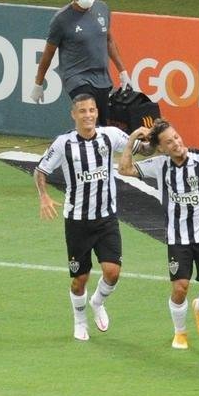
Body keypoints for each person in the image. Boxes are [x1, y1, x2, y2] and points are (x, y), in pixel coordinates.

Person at [119, 119, 199, 350]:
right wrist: (133, 138)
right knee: (180, 287)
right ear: (162, 148)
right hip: (178, 239)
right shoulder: (159, 165)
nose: (176, 143)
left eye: (176, 137)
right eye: (169, 142)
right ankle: (180, 333)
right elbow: (124, 169)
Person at [34, 92, 142, 342]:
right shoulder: (63, 144)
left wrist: (147, 136)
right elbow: (40, 171)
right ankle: (80, 321)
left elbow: (139, 148)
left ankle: (98, 302)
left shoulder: (110, 135)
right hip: (77, 221)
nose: (88, 115)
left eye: (92, 110)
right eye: (82, 111)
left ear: (97, 113)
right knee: (79, 279)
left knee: (113, 272)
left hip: (106, 218)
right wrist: (44, 196)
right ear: (74, 115)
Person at [28, 0, 132, 126]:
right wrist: (38, 83)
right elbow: (48, 53)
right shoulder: (61, 19)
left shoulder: (102, 9)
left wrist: (123, 71)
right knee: (88, 112)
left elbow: (109, 40)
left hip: (101, 77)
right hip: (76, 77)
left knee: (103, 125)